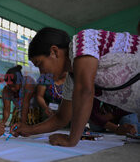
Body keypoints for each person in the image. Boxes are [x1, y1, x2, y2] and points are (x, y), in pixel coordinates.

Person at [10, 27, 140, 147]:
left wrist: (71, 140)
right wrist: (29, 129)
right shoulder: (72, 78)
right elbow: (61, 118)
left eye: (39, 64)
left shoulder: (83, 41)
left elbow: (85, 91)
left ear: (54, 52)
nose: (41, 72)